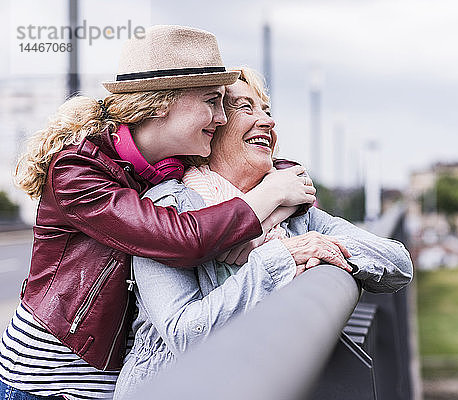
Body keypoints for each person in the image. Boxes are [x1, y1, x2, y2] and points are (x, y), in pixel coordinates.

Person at [0, 27, 315, 400]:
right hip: (47, 382)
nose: (220, 118)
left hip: (111, 378)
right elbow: (183, 238)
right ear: (163, 102)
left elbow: (259, 167)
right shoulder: (76, 170)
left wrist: (283, 188)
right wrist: (272, 193)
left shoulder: (169, 168)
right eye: (212, 102)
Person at [113, 67, 413, 398]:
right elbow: (187, 334)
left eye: (266, 110)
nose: (268, 122)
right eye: (245, 107)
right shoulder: (168, 208)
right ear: (212, 126)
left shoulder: (291, 210)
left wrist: (323, 252)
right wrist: (285, 256)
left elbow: (398, 262)